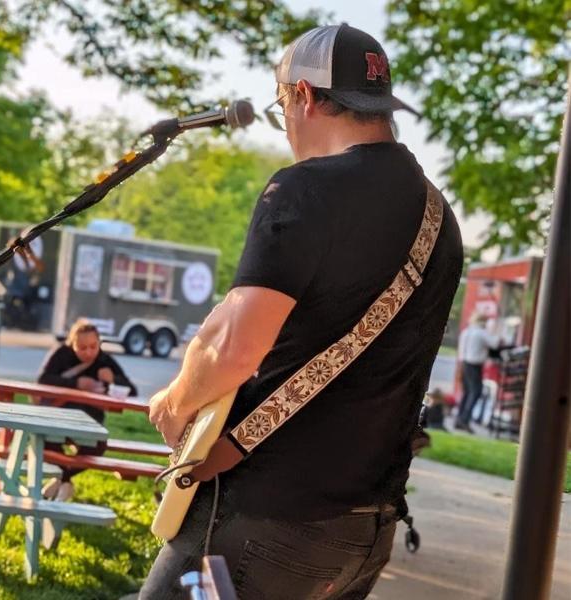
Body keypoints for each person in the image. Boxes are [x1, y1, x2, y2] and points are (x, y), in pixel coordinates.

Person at [141, 23, 463, 600]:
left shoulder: (302, 190)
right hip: (365, 528)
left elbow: (233, 348)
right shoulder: (439, 217)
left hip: (265, 517)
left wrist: (174, 402)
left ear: (306, 96)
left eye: (282, 103)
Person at [37, 318, 138, 501]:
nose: (89, 352)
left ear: (99, 343)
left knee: (99, 445)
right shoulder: (61, 354)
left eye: (93, 346)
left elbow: (132, 390)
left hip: (91, 420)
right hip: (58, 416)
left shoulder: (104, 360)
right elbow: (43, 380)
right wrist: (75, 384)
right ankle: (63, 481)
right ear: (71, 344)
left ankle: (61, 479)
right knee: (44, 440)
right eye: (82, 348)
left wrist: (114, 379)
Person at [454, 313, 500, 431]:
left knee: (467, 392)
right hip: (474, 365)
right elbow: (495, 343)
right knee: (475, 392)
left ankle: (459, 419)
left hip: (465, 363)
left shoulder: (467, 332)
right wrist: (494, 330)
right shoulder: (481, 332)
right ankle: (464, 420)